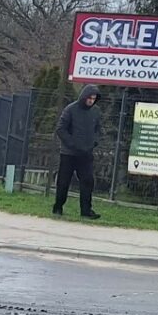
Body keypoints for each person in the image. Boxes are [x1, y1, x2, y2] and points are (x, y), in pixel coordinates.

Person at [53, 85, 104, 219]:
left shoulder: (96, 111)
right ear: (84, 97)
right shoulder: (70, 109)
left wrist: (94, 142)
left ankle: (86, 211)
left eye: (94, 99)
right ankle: (58, 206)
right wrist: (72, 144)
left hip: (86, 153)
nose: (91, 101)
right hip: (69, 153)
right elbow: (61, 129)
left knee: (87, 181)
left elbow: (99, 129)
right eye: (89, 98)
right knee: (63, 182)